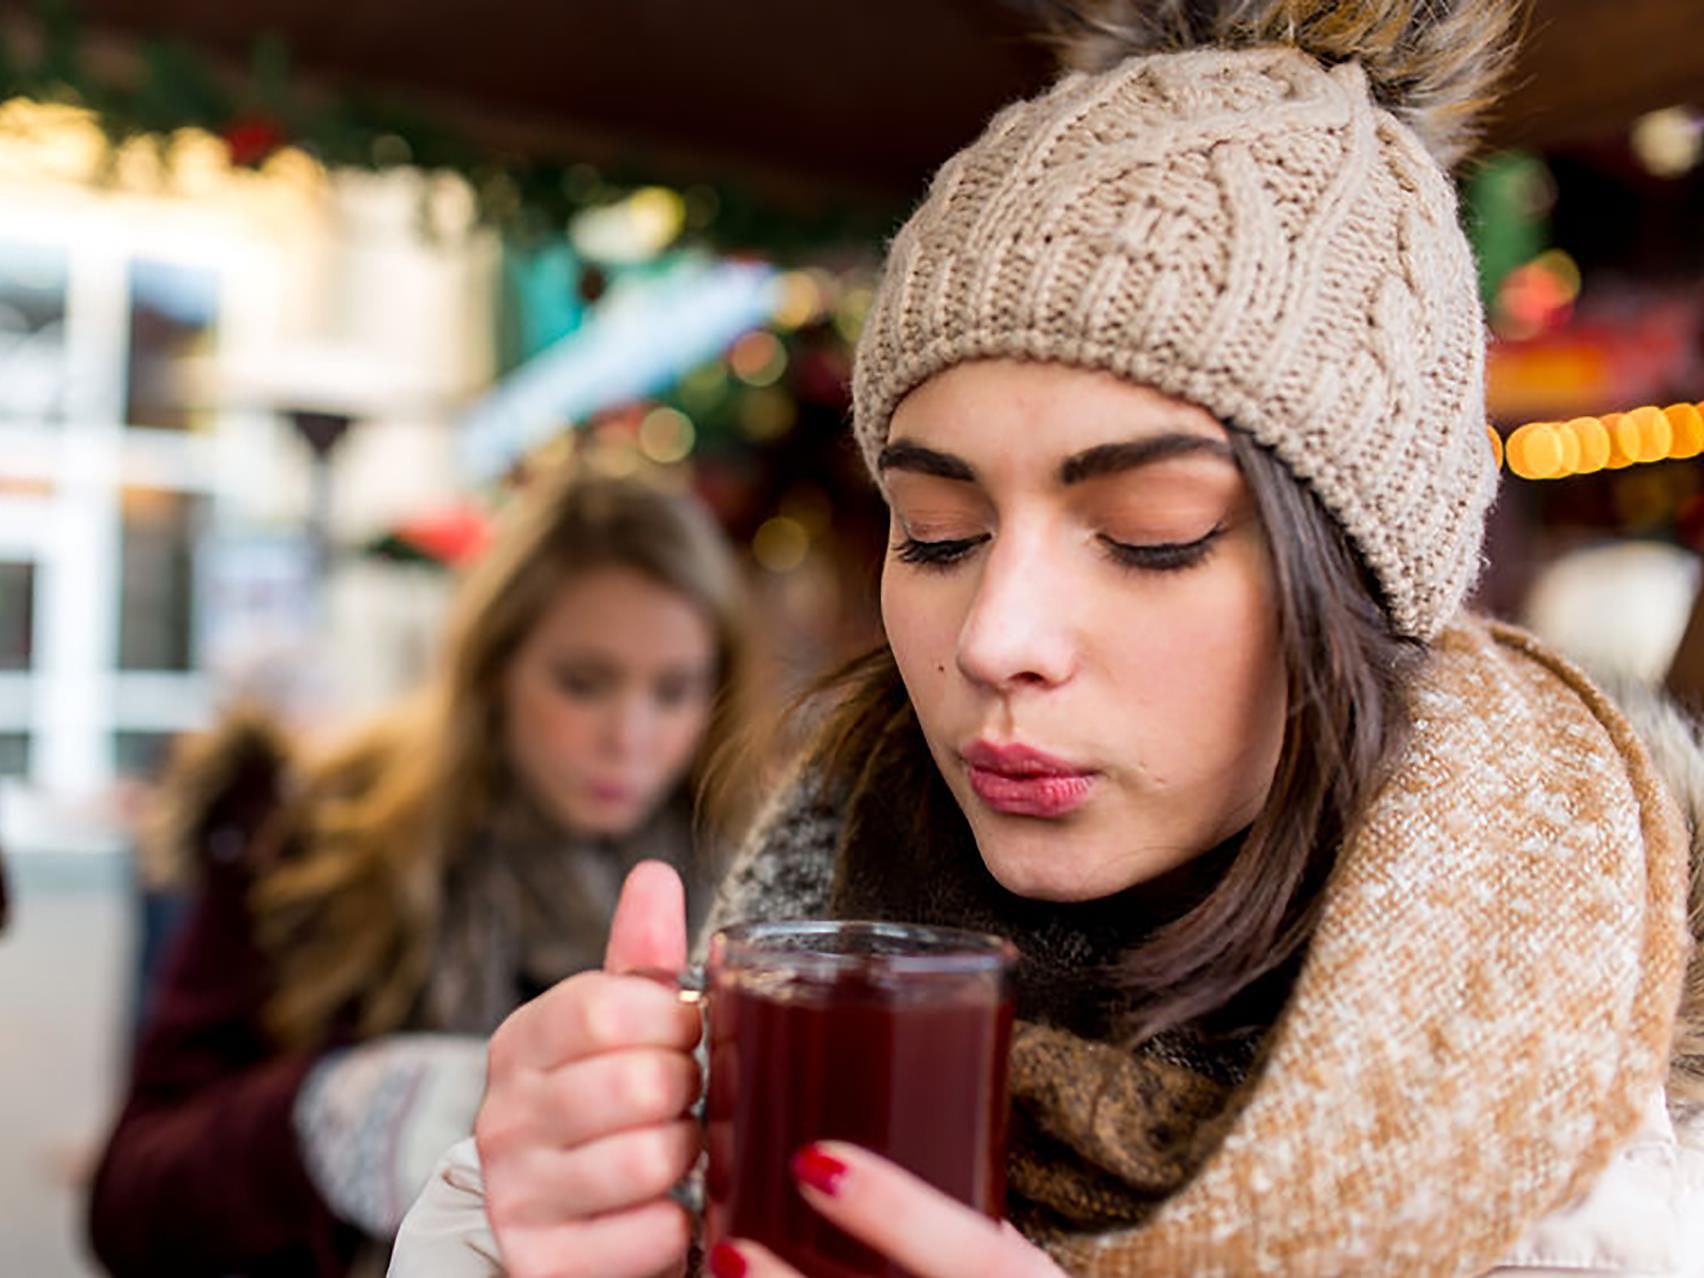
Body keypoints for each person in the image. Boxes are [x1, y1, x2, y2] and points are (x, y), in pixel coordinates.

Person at [394, 2, 1704, 1275]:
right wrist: (498, 1236)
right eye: (939, 531)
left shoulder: (1647, 1180)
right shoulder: (778, 1025)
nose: (994, 637)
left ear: (1369, 594)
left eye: (1150, 530)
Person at [88, 470, 751, 1278]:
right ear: (496, 666)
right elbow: (128, 1203)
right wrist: (326, 1117)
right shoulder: (312, 842)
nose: (630, 736)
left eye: (674, 690)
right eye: (584, 682)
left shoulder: (748, 895)